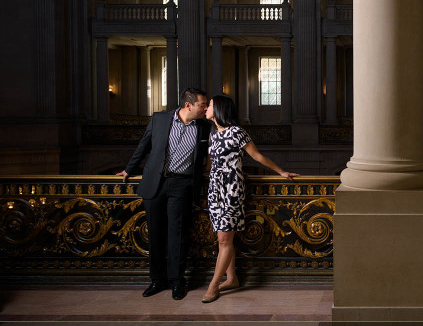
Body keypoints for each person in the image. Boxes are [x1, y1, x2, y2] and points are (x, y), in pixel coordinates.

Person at [202, 94, 298, 303]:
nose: (206, 108)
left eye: (209, 105)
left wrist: (280, 171)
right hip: (214, 190)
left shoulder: (237, 132)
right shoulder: (212, 135)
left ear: (219, 108)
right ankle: (232, 278)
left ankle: (213, 286)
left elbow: (257, 156)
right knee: (223, 239)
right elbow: (210, 165)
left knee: (224, 239)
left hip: (231, 189)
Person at [117, 88, 210, 300]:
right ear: (188, 105)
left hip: (182, 185)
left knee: (177, 234)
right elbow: (144, 144)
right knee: (156, 234)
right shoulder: (160, 119)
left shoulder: (204, 126)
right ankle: (157, 280)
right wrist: (129, 169)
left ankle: (177, 281)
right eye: (202, 105)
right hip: (156, 182)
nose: (205, 108)